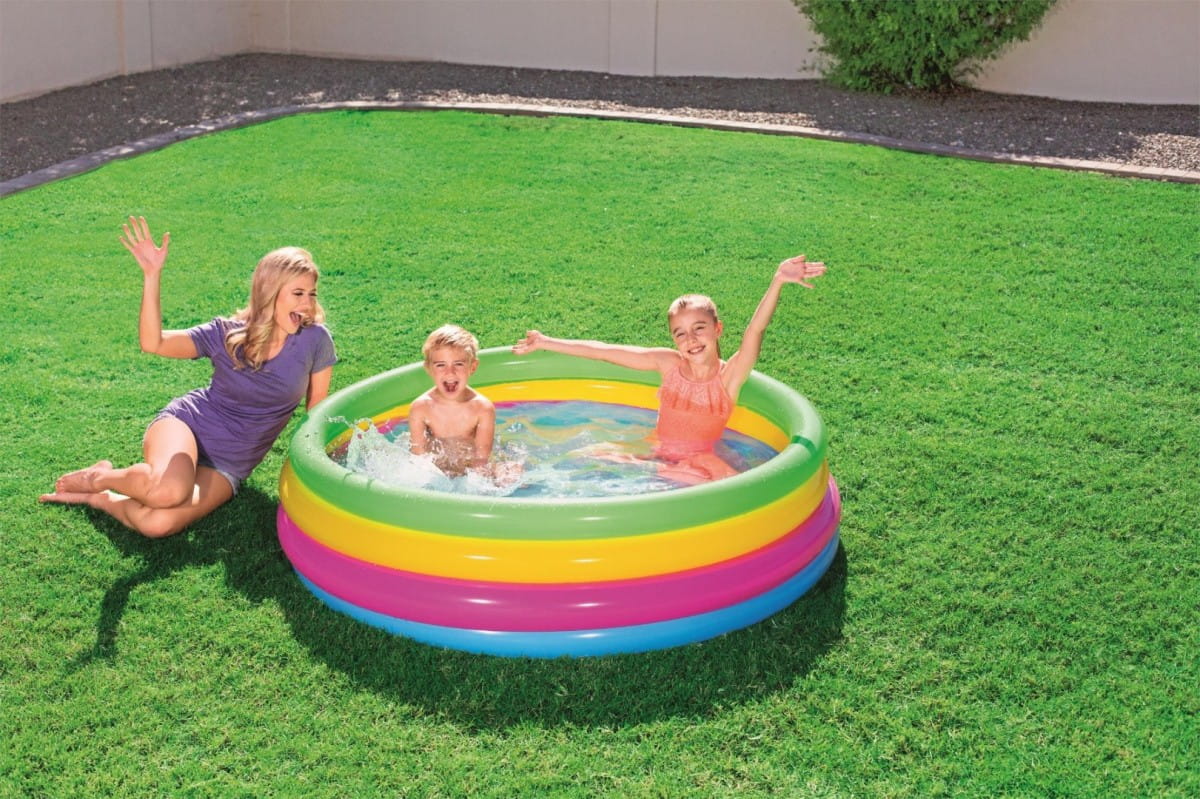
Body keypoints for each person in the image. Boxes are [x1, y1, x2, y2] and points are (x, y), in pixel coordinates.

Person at [39, 216, 337, 538]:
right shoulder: (225, 334)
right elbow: (153, 343)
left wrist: (332, 466)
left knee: (156, 524)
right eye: (298, 293)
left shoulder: (315, 341)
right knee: (166, 491)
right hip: (189, 426)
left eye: (312, 294)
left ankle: (99, 498)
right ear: (270, 292)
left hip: (230, 463)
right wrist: (152, 275)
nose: (307, 304)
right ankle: (99, 477)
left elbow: (316, 412)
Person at [513, 253, 826, 485]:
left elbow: (755, 330)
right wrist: (546, 341)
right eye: (680, 333)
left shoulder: (728, 378)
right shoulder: (668, 364)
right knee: (583, 455)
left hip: (700, 459)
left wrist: (777, 281)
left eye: (699, 328)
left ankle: (669, 477)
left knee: (732, 485)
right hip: (655, 451)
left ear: (718, 329)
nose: (691, 340)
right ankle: (522, 476)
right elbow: (604, 352)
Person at [407, 324, 497, 477]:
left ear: (473, 367)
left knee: (510, 474)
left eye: (458, 364)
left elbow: (481, 459)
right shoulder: (420, 408)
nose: (450, 372)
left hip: (470, 471)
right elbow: (418, 457)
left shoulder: (482, 408)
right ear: (428, 368)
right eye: (440, 365)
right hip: (437, 472)